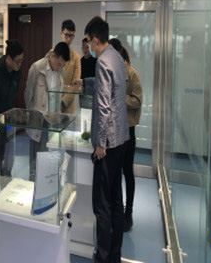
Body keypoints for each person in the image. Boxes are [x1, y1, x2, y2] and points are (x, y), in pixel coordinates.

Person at [73, 16, 129, 263]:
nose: (89, 47)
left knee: (102, 205)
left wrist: (100, 143)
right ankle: (114, 254)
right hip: (121, 139)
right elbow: (109, 86)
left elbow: (104, 106)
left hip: (108, 144)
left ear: (95, 39)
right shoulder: (115, 56)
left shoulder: (102, 61)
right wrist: (85, 83)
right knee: (116, 201)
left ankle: (102, 256)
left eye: (89, 42)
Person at [108, 38, 142, 232]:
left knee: (127, 172)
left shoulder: (132, 74)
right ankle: (117, 210)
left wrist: (119, 98)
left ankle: (128, 213)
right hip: (113, 129)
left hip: (128, 130)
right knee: (114, 173)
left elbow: (137, 101)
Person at [24, 42, 70, 180]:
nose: (60, 68)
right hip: (37, 120)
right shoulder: (37, 68)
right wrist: (32, 116)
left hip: (52, 121)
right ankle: (33, 184)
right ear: (52, 56)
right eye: (59, 64)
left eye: (62, 65)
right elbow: (28, 94)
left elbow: (58, 97)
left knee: (49, 159)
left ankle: (46, 185)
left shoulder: (61, 72)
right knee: (35, 159)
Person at [0, 40, 24, 178]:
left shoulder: (17, 73)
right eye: (17, 61)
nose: (20, 65)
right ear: (8, 58)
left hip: (8, 124)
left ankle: (5, 184)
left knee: (7, 163)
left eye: (21, 61)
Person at [60, 20, 81, 113]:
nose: (68, 39)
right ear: (61, 33)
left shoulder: (76, 57)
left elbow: (76, 85)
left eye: (71, 36)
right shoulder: (52, 54)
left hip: (68, 106)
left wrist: (62, 103)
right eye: (66, 35)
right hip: (52, 102)